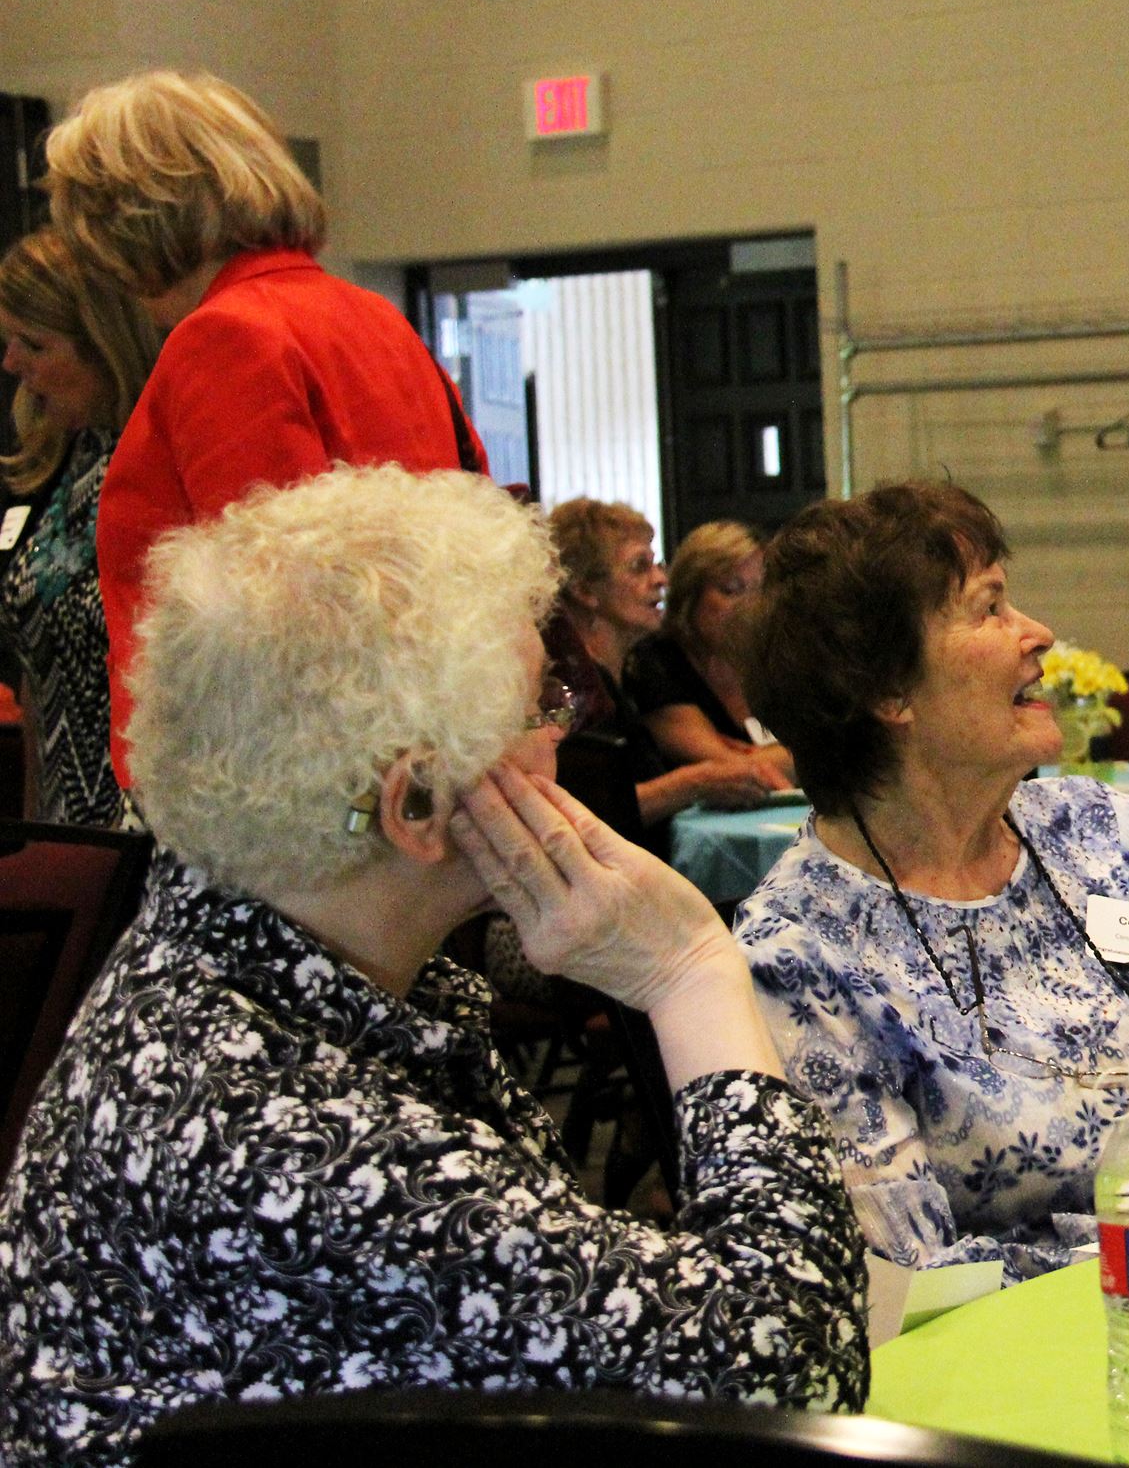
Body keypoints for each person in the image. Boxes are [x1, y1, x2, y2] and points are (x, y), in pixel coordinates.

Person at [0, 466, 870, 1466]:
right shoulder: (293, 1133)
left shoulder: (253, 956)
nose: (561, 726)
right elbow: (790, 1371)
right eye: (537, 702)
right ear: (414, 804)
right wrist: (690, 970)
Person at [734, 481, 1129, 1281]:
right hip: (1063, 1340)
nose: (1038, 633)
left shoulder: (1111, 836)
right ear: (886, 689)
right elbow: (916, 1277)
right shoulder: (799, 954)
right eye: (990, 607)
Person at [39, 69, 485, 783]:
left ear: (124, 220)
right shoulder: (373, 316)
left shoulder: (226, 336)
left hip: (275, 776)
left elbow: (263, 613)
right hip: (413, 737)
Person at [0, 232, 163, 825]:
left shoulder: (161, 461)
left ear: (105, 345)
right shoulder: (53, 461)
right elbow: (37, 683)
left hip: (151, 819)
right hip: (65, 824)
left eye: (34, 344)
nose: (11, 363)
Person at [546, 499, 785, 854]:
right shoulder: (574, 687)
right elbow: (587, 812)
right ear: (584, 590)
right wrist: (695, 781)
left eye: (656, 563)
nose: (660, 579)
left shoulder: (614, 678)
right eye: (638, 567)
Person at [629, 518, 797, 785]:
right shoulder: (657, 661)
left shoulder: (773, 659)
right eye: (732, 590)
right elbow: (731, 769)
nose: (750, 605)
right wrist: (793, 756)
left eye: (759, 590)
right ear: (689, 595)